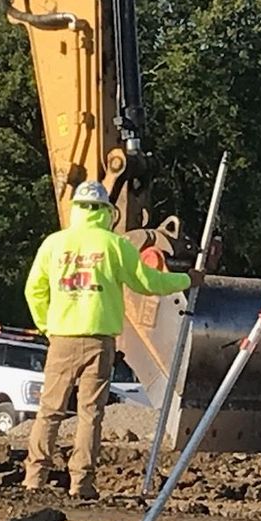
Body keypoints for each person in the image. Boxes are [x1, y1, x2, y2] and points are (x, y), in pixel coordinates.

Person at [23, 180, 195, 499]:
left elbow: (33, 290)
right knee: (90, 414)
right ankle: (81, 483)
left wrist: (47, 325)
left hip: (61, 338)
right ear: (106, 211)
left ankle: (35, 478)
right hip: (99, 341)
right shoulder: (115, 246)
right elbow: (148, 282)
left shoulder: (53, 244)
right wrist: (187, 279)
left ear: (76, 208)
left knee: (50, 410)